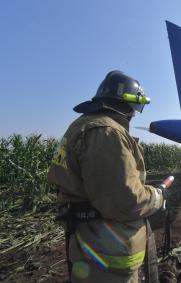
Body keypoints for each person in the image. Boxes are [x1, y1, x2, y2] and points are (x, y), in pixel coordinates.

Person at [48, 71, 167, 283]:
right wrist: (157, 196)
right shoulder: (106, 132)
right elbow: (124, 202)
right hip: (108, 254)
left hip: (87, 241)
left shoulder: (82, 125)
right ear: (131, 106)